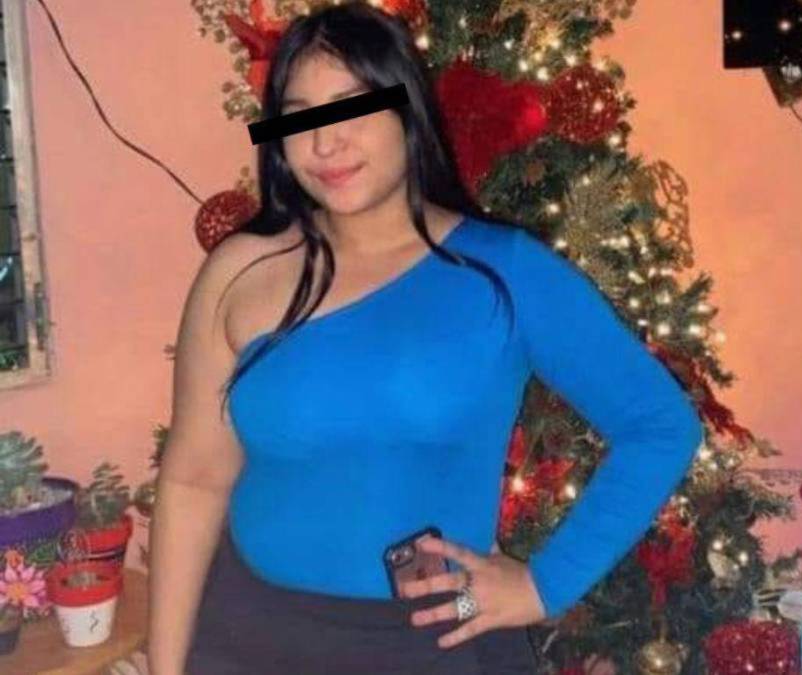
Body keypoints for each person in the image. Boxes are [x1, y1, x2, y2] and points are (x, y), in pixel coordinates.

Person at [147, 2, 704, 674]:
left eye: (352, 108)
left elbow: (659, 424)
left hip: (430, 645)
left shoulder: (505, 270)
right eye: (300, 117)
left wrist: (543, 585)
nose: (325, 143)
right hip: (247, 637)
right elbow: (194, 481)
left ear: (406, 110)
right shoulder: (238, 270)